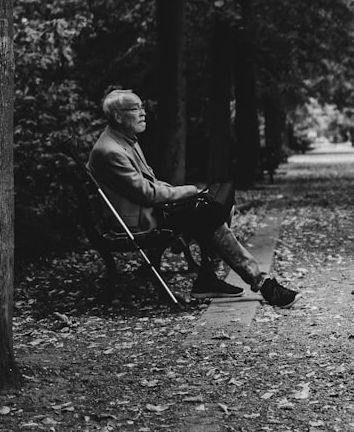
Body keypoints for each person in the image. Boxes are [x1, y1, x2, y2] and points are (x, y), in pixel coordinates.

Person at [88, 88, 298, 308]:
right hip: (137, 221)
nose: (143, 113)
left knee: (222, 207)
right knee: (211, 216)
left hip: (150, 210)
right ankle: (261, 283)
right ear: (118, 116)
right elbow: (147, 193)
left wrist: (180, 193)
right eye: (135, 108)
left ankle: (209, 277)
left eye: (142, 107)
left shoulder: (125, 140)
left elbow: (149, 183)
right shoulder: (111, 151)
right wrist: (188, 191)